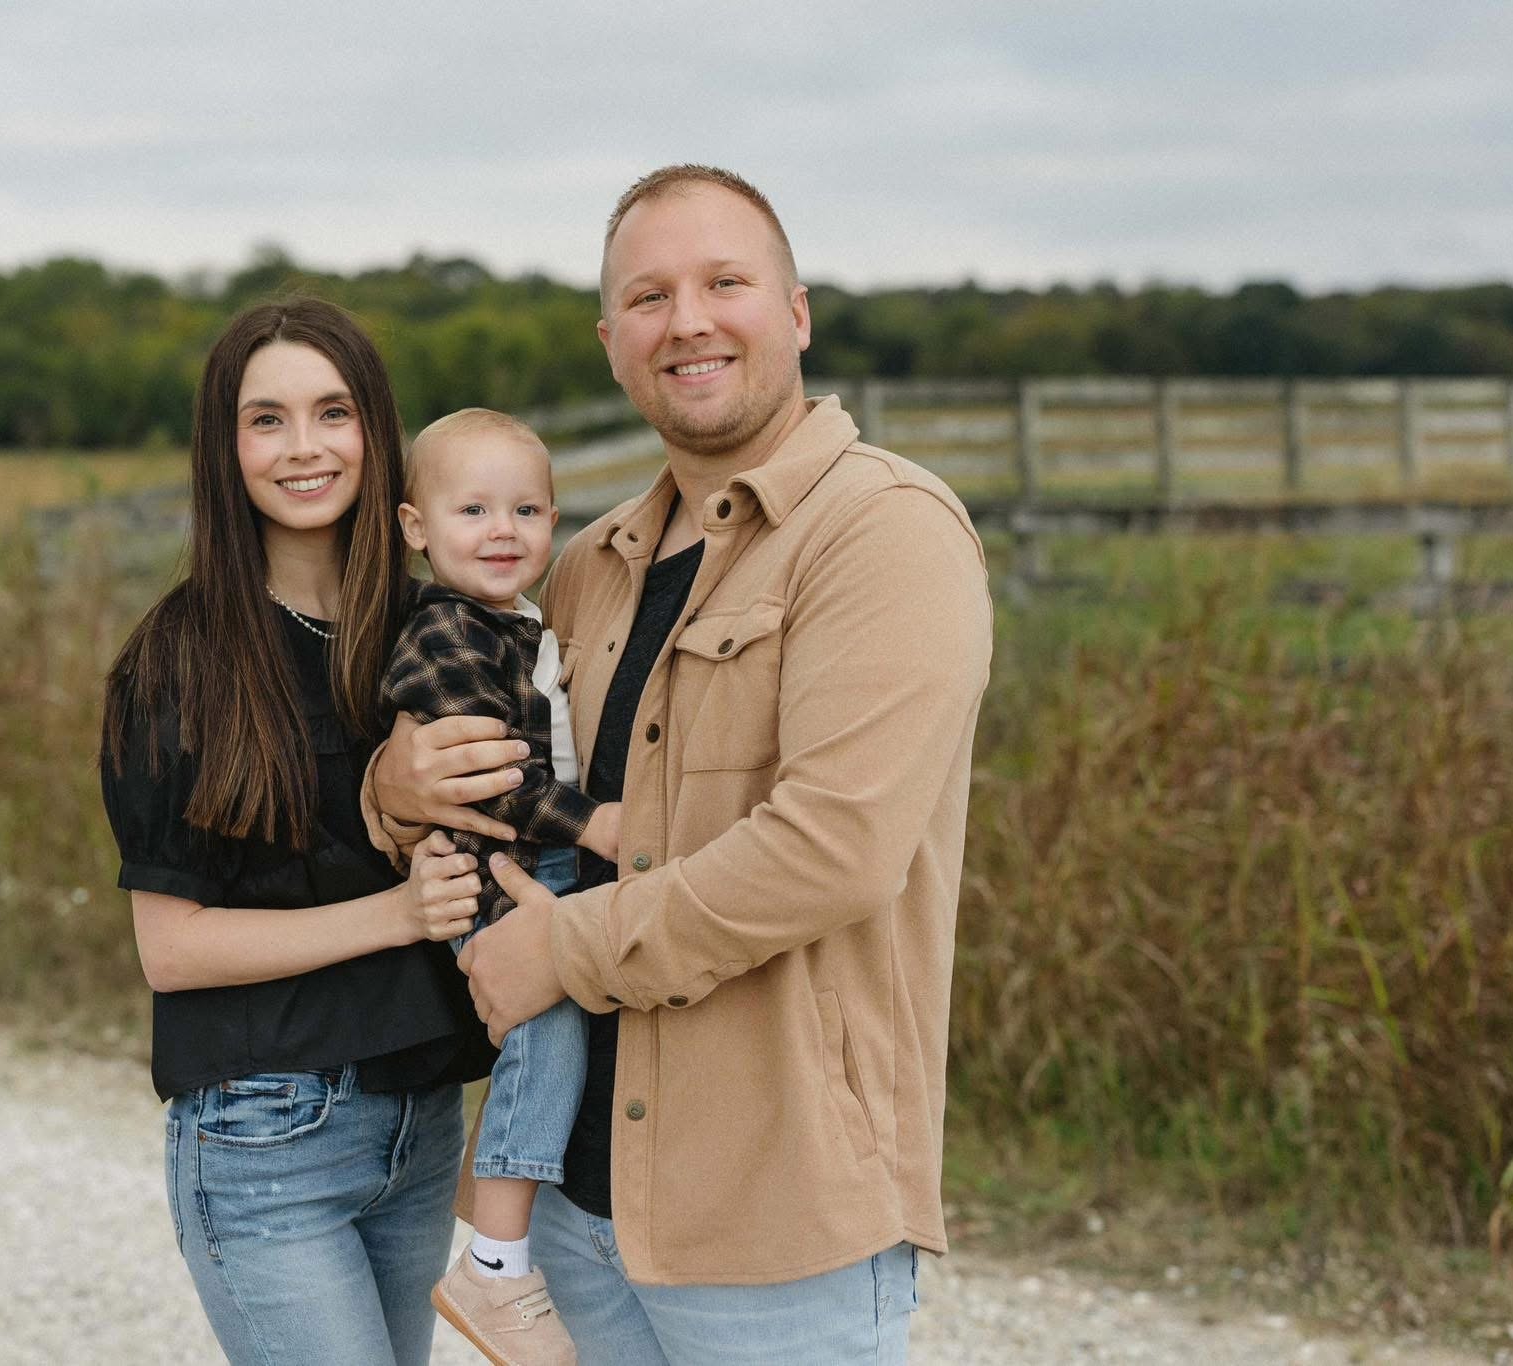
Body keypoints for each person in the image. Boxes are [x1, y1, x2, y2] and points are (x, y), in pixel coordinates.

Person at [368, 165, 994, 1364]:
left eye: (724, 282)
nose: (688, 320)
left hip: (771, 1221)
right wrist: (394, 790)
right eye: (648, 296)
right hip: (573, 1211)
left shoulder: (883, 533)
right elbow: (488, 764)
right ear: (611, 344)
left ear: (796, 312)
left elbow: (831, 850)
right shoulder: (588, 564)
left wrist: (566, 947)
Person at [99, 298, 496, 1366]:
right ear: (224, 449)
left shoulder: (437, 632)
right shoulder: (176, 661)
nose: (305, 447)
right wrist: (397, 910)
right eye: (265, 419)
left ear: (376, 428)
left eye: (332, 411)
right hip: (261, 1135)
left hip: (420, 1126)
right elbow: (172, 948)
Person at [380, 408, 623, 1363]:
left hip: (536, 865)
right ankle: (493, 1263)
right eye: (472, 509)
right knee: (549, 1029)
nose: (502, 530)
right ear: (415, 528)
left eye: (527, 510)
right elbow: (490, 778)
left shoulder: (516, 620)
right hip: (494, 869)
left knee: (551, 1043)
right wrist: (597, 820)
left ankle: (508, 1222)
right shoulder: (445, 635)